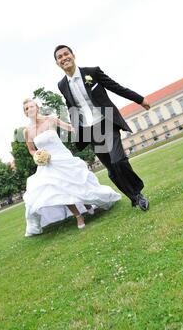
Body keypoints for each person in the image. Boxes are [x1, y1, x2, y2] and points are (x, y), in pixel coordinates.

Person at [55, 44, 151, 211]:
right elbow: (71, 106)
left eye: (66, 54)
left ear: (73, 55)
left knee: (118, 160)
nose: (64, 58)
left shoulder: (92, 72)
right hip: (90, 130)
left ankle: (138, 192)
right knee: (112, 169)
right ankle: (134, 197)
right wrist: (76, 127)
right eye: (60, 57)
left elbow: (116, 87)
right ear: (58, 63)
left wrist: (139, 99)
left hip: (106, 121)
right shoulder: (62, 85)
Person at [22, 98, 121, 237]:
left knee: (77, 182)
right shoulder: (27, 131)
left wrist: (85, 130)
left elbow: (69, 127)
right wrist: (37, 155)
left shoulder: (50, 119)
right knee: (60, 190)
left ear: (37, 107)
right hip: (48, 165)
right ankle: (78, 216)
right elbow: (31, 149)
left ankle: (87, 203)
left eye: (31, 106)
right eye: (26, 109)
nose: (29, 110)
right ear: (25, 113)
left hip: (62, 157)